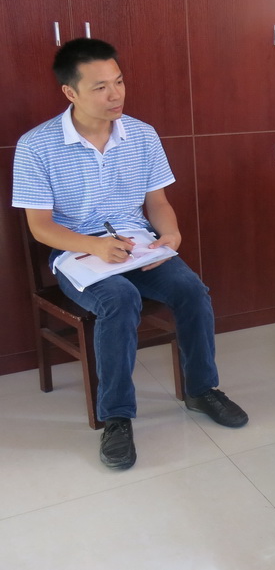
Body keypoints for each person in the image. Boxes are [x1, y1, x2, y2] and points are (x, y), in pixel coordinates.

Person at [12, 38, 248, 471]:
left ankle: (202, 390)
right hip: (77, 251)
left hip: (138, 244)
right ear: (70, 92)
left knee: (191, 290)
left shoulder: (141, 134)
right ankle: (116, 417)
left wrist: (171, 234)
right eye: (100, 87)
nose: (115, 94)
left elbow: (156, 202)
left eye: (118, 82)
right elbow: (40, 226)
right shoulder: (36, 146)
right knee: (120, 299)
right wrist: (95, 246)